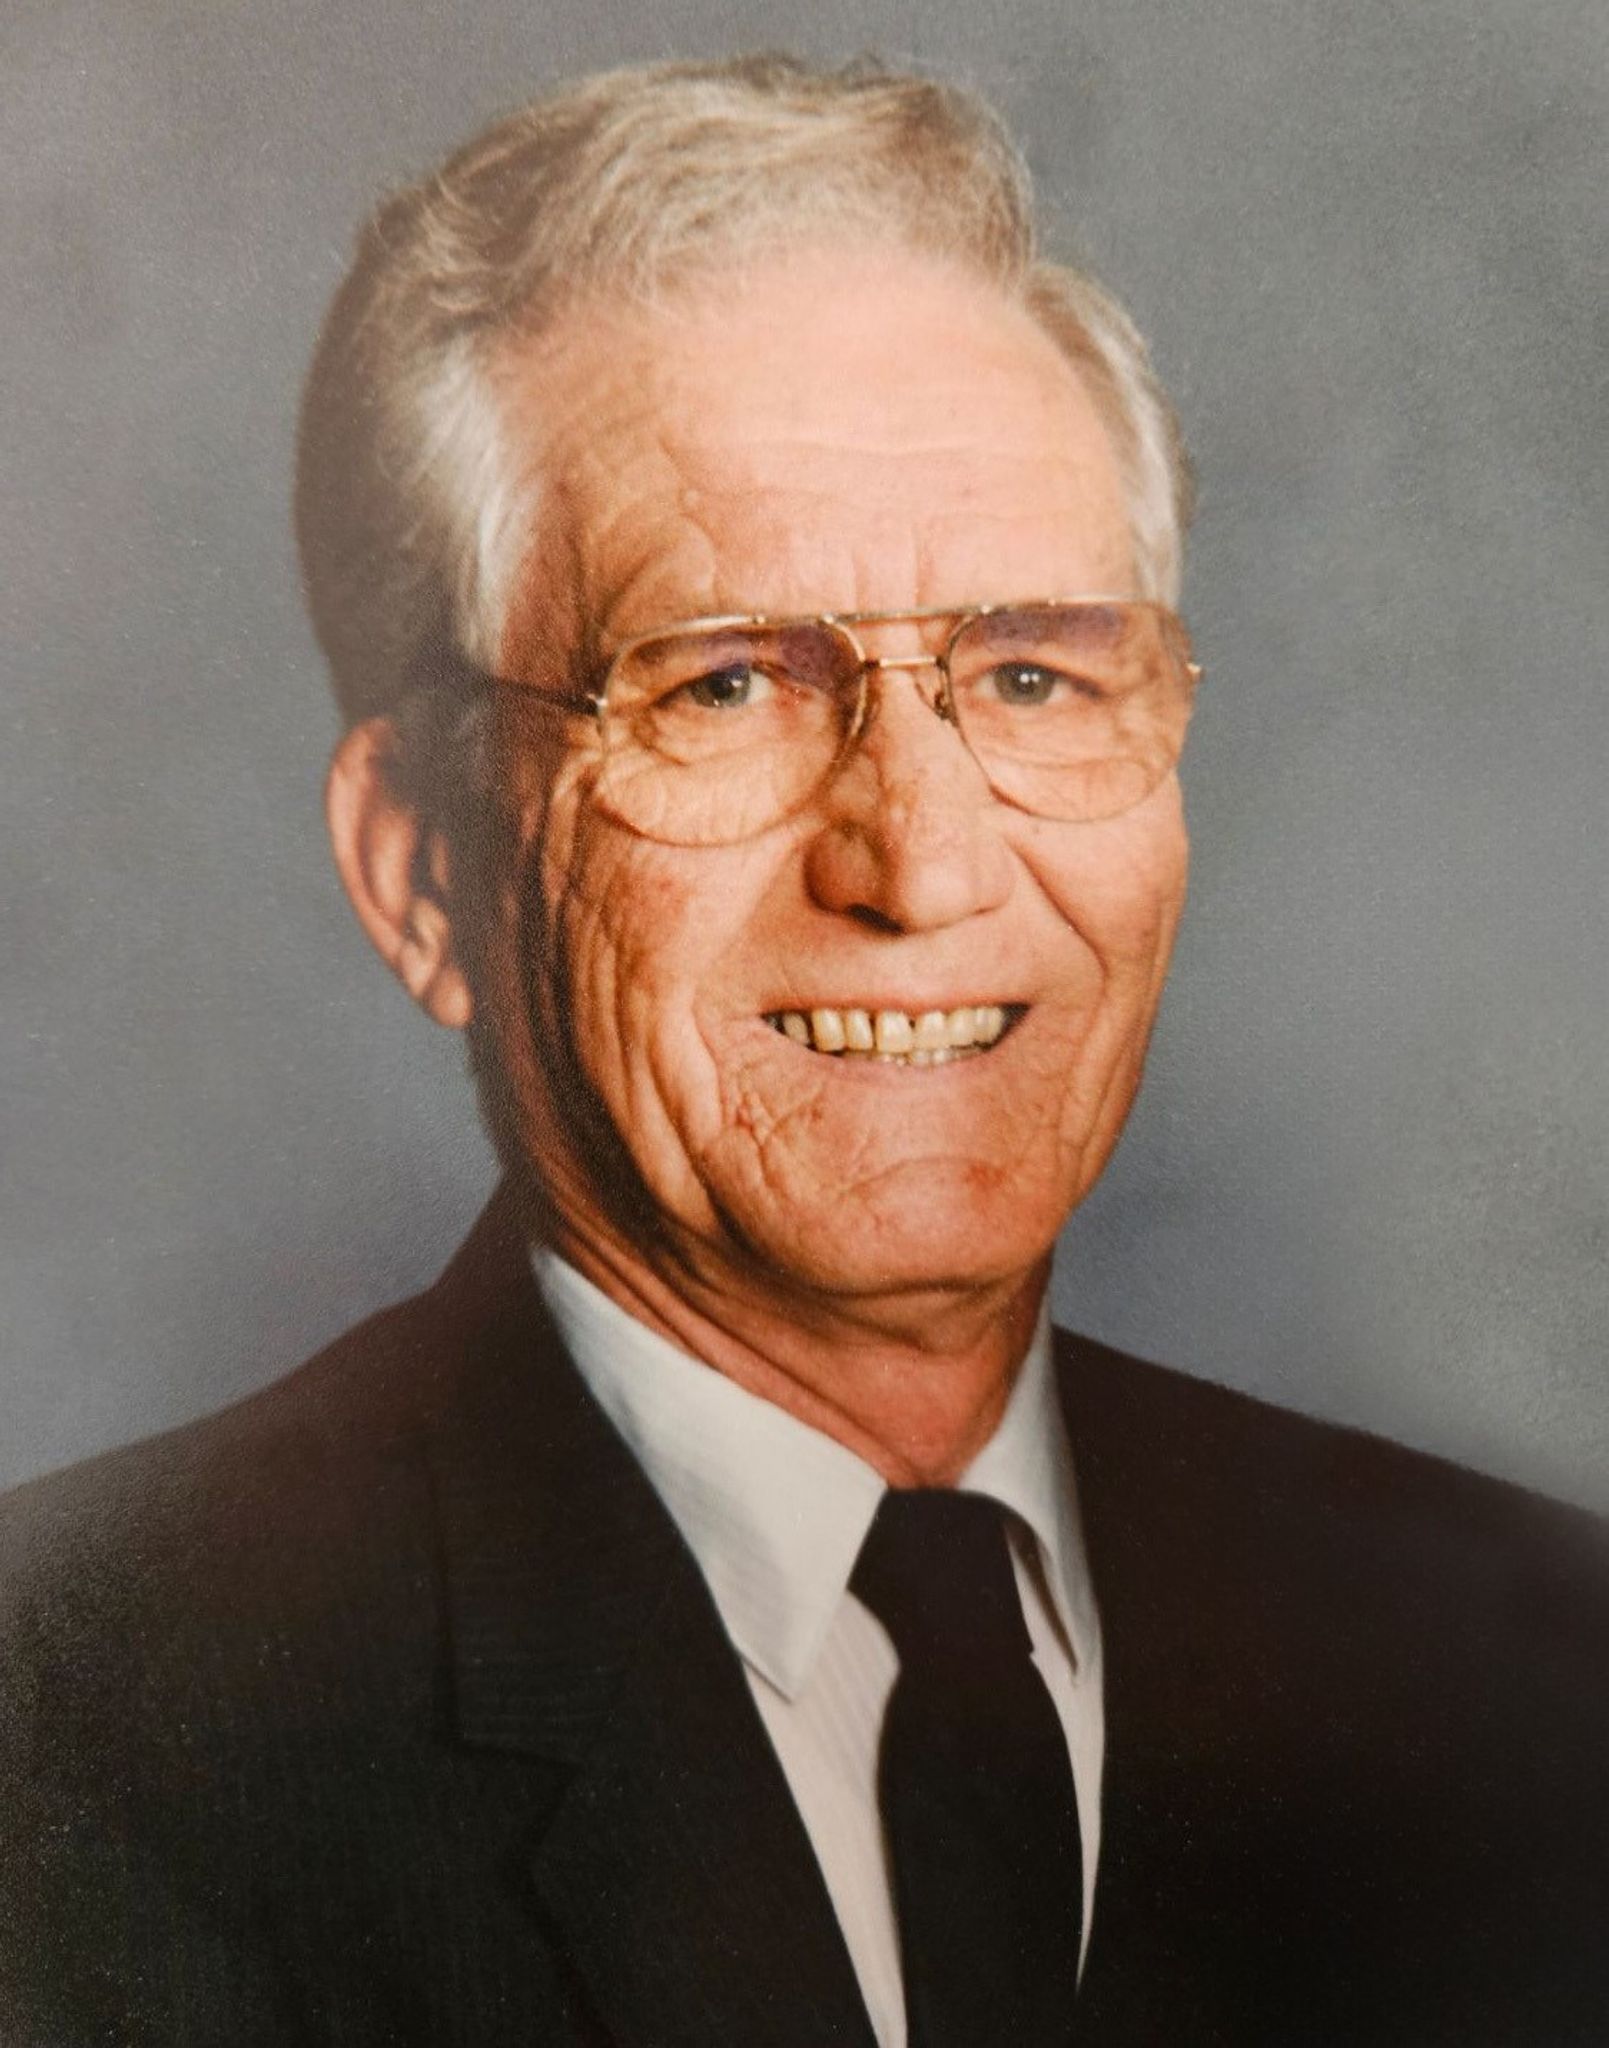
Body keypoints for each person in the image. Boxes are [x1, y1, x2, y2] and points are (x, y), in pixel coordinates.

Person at [1, 53, 1604, 2047]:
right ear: (421, 871)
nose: (920, 862)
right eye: (726, 685)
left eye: (1030, 674)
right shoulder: (73, 1756)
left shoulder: (1533, 1685)